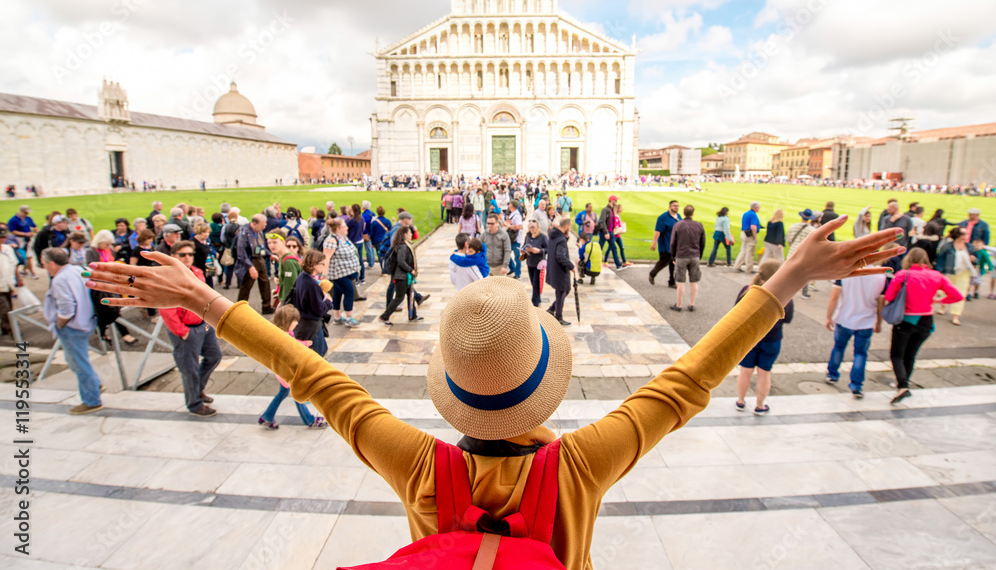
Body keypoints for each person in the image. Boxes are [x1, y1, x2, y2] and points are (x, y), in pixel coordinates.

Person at [83, 214, 904, 570]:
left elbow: (316, 378)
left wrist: (207, 300)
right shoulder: (581, 465)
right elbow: (687, 384)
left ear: (454, 392)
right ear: (543, 380)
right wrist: (786, 277)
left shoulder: (417, 464)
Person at [885, 248, 964, 404]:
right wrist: (939, 301)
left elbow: (889, 296)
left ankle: (902, 386)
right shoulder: (936, 276)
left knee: (896, 354)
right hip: (926, 320)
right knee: (910, 355)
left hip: (906, 319)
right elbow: (957, 295)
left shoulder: (903, 275)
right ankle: (903, 383)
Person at [159, 240, 221, 417]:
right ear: (173, 257)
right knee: (189, 368)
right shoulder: (167, 279)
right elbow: (166, 308)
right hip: (185, 329)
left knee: (214, 356)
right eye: (183, 255)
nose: (188, 258)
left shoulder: (197, 272)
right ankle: (194, 403)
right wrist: (181, 331)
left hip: (202, 324)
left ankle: (197, 390)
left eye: (190, 254)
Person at [44, 248, 102, 415]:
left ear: (52, 264)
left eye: (45, 263)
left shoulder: (60, 279)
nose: (44, 266)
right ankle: (95, 385)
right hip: (87, 321)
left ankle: (92, 400)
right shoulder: (78, 270)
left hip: (73, 327)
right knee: (80, 361)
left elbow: (67, 309)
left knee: (79, 363)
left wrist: (60, 324)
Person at [734, 261, 793, 415]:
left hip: (749, 338)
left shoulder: (747, 291)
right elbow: (788, 318)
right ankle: (760, 405)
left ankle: (740, 401)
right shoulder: (785, 294)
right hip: (772, 339)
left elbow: (736, 313)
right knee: (764, 372)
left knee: (745, 371)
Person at [258, 305, 327, 430]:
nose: (297, 323)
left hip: (284, 373)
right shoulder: (282, 337)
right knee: (297, 395)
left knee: (282, 395)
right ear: (287, 321)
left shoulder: (284, 332)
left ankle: (267, 416)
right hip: (287, 373)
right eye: (294, 320)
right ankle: (310, 420)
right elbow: (293, 346)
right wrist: (306, 344)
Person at [824, 268, 886, 398]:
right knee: (861, 353)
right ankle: (856, 385)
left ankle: (832, 374)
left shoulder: (846, 272)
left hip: (844, 317)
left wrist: (829, 317)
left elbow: (834, 297)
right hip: (866, 321)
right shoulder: (880, 276)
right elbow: (881, 303)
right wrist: (879, 322)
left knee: (839, 347)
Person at [84, 230, 137, 345]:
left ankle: (110, 333)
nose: (108, 246)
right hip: (100, 286)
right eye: (106, 244)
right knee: (106, 310)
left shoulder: (109, 249)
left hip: (112, 282)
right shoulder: (91, 251)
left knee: (113, 309)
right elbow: (90, 268)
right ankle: (114, 333)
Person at [290, 250, 335, 353]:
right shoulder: (310, 284)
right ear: (314, 264)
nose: (324, 266)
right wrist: (328, 301)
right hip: (310, 325)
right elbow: (319, 309)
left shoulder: (303, 277)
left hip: (305, 321)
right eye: (322, 263)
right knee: (318, 354)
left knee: (323, 349)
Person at [379, 225, 421, 326]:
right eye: (410, 233)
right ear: (405, 234)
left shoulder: (405, 245)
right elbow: (401, 261)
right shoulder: (403, 246)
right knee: (399, 298)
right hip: (401, 277)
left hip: (405, 276)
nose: (411, 235)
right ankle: (384, 316)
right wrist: (410, 270)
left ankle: (413, 316)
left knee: (411, 295)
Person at [323, 218, 362, 327]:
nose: (347, 228)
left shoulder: (343, 238)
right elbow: (326, 258)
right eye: (345, 226)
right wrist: (324, 276)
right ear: (338, 228)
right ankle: (349, 318)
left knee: (337, 293)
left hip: (348, 273)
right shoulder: (331, 240)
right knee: (349, 292)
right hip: (339, 274)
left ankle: (337, 317)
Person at [235, 214, 274, 315]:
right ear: (254, 224)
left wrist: (270, 255)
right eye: (262, 225)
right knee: (246, 285)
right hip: (250, 260)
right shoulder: (244, 232)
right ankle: (240, 308)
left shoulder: (259, 231)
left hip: (260, 258)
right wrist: (250, 267)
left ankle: (266, 306)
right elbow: (241, 252)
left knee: (265, 282)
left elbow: (261, 247)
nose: (264, 227)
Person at [669, 205, 705, 312]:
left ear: (683, 213)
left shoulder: (678, 225)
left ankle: (679, 304)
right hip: (695, 255)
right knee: (694, 280)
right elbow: (702, 242)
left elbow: (673, 242)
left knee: (681, 281)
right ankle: (692, 303)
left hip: (682, 255)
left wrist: (673, 256)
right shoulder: (699, 225)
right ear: (693, 214)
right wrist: (699, 255)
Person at [935, 226, 973, 325]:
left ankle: (955, 315)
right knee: (945, 291)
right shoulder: (947, 246)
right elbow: (940, 259)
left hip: (964, 273)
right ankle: (943, 306)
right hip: (949, 271)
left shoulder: (969, 247)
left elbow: (976, 259)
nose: (966, 235)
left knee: (961, 293)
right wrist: (939, 272)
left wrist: (974, 259)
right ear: (958, 235)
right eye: (964, 233)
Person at [545, 217, 573, 326]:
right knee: (562, 291)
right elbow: (560, 256)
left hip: (553, 269)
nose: (570, 229)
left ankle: (552, 309)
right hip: (560, 270)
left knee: (562, 291)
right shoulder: (561, 239)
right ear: (565, 227)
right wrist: (571, 266)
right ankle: (558, 317)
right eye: (569, 227)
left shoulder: (554, 235)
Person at [649, 200, 680, 285]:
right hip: (666, 244)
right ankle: (652, 273)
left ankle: (671, 281)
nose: (676, 207)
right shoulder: (663, 217)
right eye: (674, 206)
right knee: (664, 261)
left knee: (673, 263)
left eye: (677, 206)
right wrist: (654, 242)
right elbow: (657, 231)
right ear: (669, 207)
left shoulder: (678, 216)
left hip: (675, 245)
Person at [788, 209, 817, 298]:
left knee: (788, 273)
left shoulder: (793, 227)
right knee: (804, 274)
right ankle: (804, 293)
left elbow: (789, 240)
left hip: (792, 251)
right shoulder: (812, 230)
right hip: (804, 254)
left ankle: (786, 291)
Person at [267, 231, 301, 308]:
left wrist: (283, 305)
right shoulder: (283, 258)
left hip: (291, 305)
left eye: (275, 242)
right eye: (269, 243)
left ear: (283, 242)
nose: (271, 245)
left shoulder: (288, 261)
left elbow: (290, 288)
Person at [0, 224, 22, 336]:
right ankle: (12, 331)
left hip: (9, 284)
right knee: (5, 309)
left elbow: (14, 266)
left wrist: (18, 279)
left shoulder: (7, 249)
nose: (2, 239)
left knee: (9, 307)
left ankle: (6, 327)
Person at [8, 205, 37, 278]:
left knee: (29, 256)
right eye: (25, 213)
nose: (27, 214)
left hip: (29, 239)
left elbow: (34, 226)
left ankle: (25, 270)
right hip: (19, 240)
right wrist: (25, 234)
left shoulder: (28, 218)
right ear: (20, 211)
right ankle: (31, 272)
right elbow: (13, 231)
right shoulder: (13, 220)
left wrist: (35, 231)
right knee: (24, 256)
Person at [524, 219, 548, 307]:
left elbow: (548, 249)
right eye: (530, 228)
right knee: (533, 283)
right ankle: (538, 300)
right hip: (530, 262)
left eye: (533, 227)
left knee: (536, 283)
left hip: (539, 264)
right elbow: (524, 245)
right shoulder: (528, 236)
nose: (532, 229)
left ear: (537, 227)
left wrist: (539, 250)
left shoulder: (542, 237)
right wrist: (524, 250)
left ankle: (534, 303)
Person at [733, 201, 762, 273]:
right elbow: (753, 226)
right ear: (756, 207)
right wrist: (754, 235)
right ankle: (749, 268)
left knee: (743, 251)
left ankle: (737, 265)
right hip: (749, 235)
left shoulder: (746, 213)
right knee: (750, 252)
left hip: (744, 233)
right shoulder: (753, 215)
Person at [596, 196, 620, 269]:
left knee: (614, 248)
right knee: (599, 248)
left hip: (610, 232)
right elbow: (602, 221)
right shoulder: (605, 209)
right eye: (615, 200)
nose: (616, 201)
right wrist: (606, 232)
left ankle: (618, 265)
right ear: (611, 200)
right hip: (605, 232)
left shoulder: (611, 209)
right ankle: (594, 263)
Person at [603, 204, 630, 268]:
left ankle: (624, 261)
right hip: (615, 235)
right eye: (620, 207)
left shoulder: (618, 216)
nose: (622, 208)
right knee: (610, 248)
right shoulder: (616, 217)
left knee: (621, 247)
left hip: (618, 235)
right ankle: (605, 261)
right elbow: (615, 225)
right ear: (617, 209)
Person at [191, 223, 217, 289]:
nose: (207, 234)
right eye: (204, 232)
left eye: (208, 232)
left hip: (209, 269)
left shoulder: (206, 241)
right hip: (199, 270)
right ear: (199, 232)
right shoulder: (192, 243)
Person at [504, 200, 524, 279]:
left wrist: (509, 226)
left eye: (510, 204)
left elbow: (519, 226)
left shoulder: (517, 215)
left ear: (512, 205)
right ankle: (513, 268)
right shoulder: (513, 214)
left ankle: (517, 273)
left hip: (516, 239)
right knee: (507, 255)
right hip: (512, 238)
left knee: (517, 257)